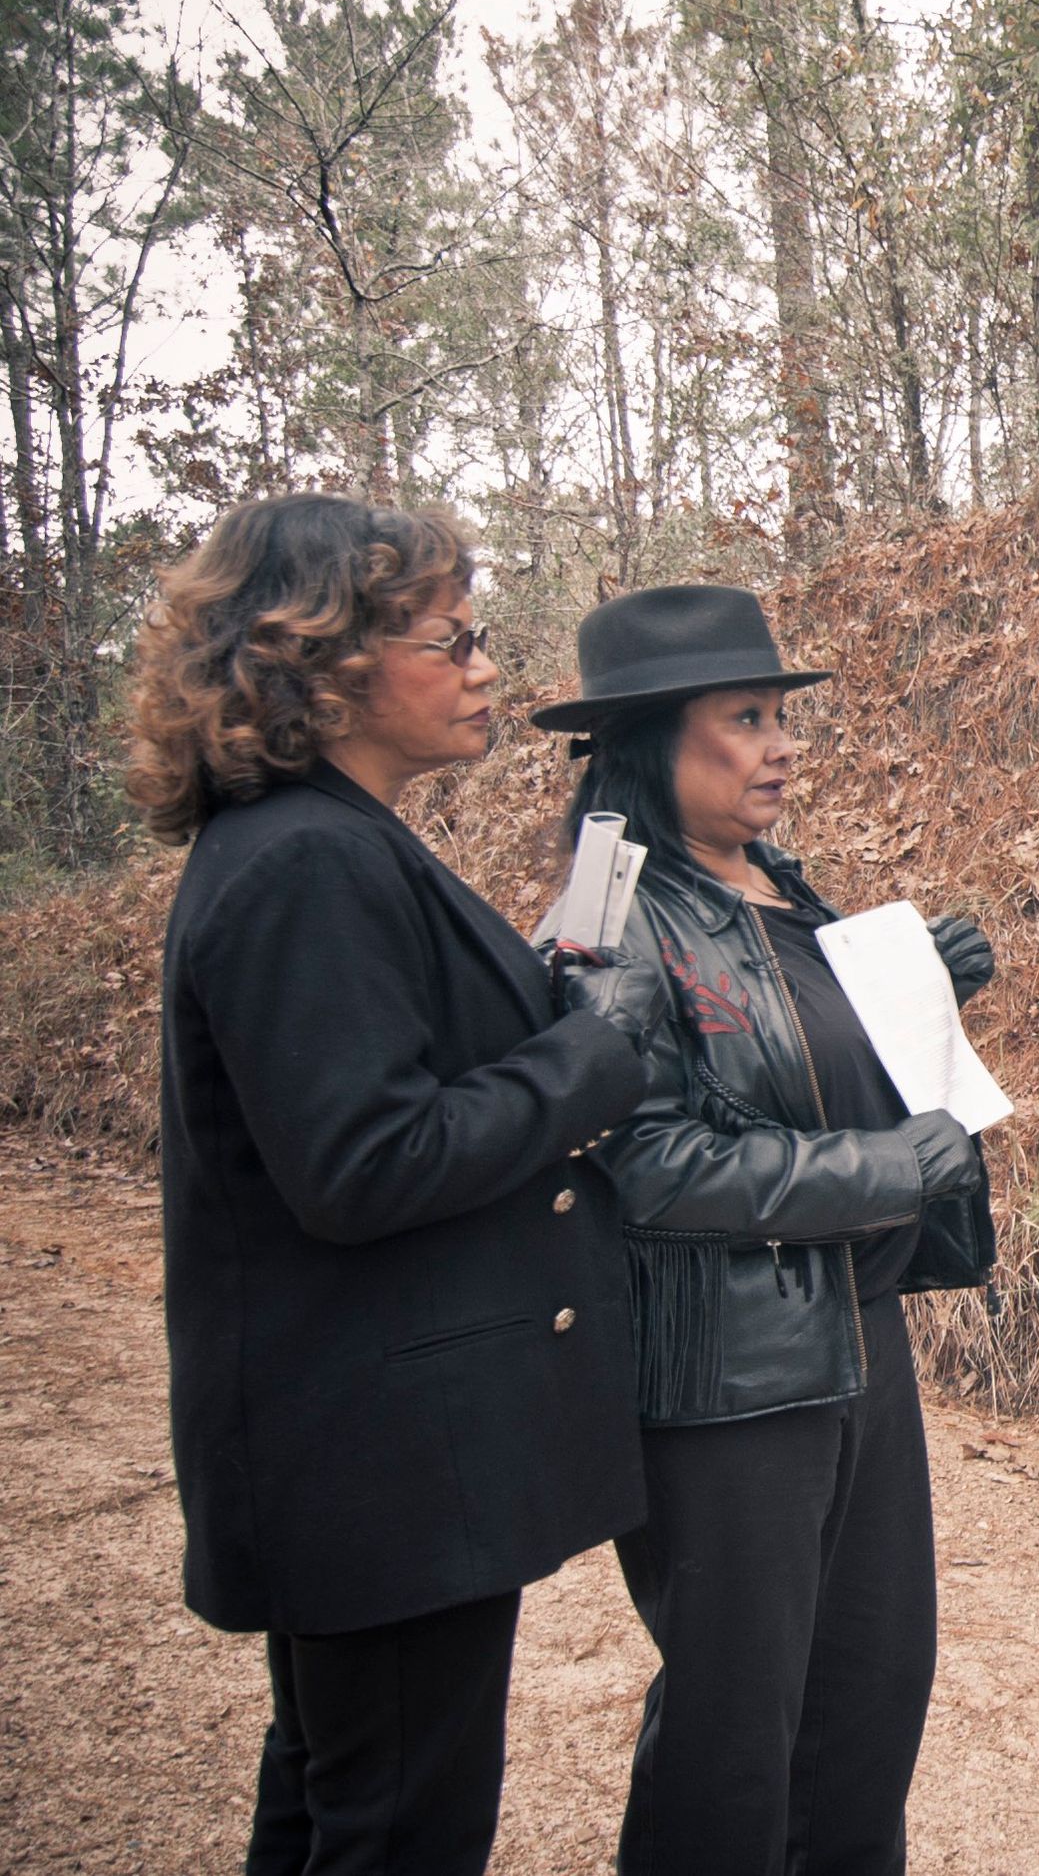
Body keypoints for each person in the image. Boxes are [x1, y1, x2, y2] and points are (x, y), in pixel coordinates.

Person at [130, 495, 670, 1874]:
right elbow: (363, 1162)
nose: (486, 664)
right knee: (394, 1835)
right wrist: (595, 1058)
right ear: (325, 664)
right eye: (454, 637)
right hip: (380, 1467)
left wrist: (542, 1014)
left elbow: (392, 1073)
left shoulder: (329, 841)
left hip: (369, 1452)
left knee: (336, 1809)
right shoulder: (306, 859)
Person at [531, 584, 998, 1876]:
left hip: (859, 1346)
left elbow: (789, 1052)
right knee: (737, 1738)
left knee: (870, 1698)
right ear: (647, 745)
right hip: (728, 1380)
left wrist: (912, 981)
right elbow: (654, 1160)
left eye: (782, 714)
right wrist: (890, 1168)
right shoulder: (606, 915)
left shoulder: (774, 880)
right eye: (746, 718)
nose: (783, 743)